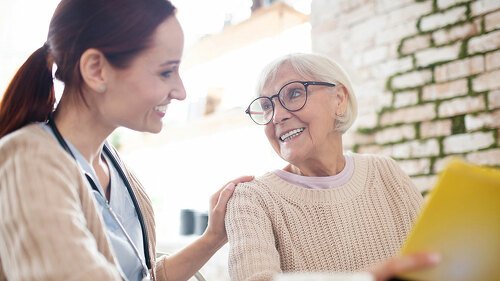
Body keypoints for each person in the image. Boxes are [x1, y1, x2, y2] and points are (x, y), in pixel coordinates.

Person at [0, 0, 252, 280]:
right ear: (96, 70)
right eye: (166, 71)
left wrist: (213, 237)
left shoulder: (114, 165)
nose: (180, 92)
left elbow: (139, 276)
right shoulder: (28, 160)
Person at [225, 53, 439, 281]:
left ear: (339, 99)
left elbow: (436, 260)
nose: (276, 117)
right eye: (267, 106)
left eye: (294, 93)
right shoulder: (251, 200)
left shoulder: (385, 172)